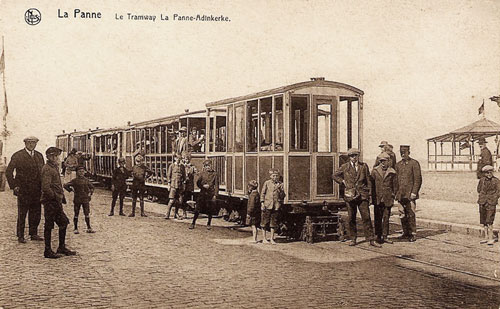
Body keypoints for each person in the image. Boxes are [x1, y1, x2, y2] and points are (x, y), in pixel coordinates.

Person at [333, 148, 380, 247]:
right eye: (352, 156)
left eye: (355, 155)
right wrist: (343, 181)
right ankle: (353, 238)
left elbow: (368, 181)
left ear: (358, 156)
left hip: (362, 195)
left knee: (366, 217)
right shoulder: (345, 167)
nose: (354, 158)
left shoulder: (364, 166)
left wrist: (369, 195)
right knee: (351, 218)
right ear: (349, 157)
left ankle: (371, 239)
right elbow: (335, 175)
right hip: (350, 196)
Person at [5, 136, 45, 243]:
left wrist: (43, 187)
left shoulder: (39, 156)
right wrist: (14, 186)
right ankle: (21, 235)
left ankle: (33, 233)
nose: (32, 145)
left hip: (37, 189)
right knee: (22, 213)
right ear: (25, 143)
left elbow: (43, 172)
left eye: (34, 143)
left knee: (36, 212)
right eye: (30, 143)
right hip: (23, 189)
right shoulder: (18, 155)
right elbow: (9, 172)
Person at [41, 147, 76, 259]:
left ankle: (61, 247)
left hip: (56, 201)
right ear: (48, 157)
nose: (56, 158)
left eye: (57, 156)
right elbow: (46, 187)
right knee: (49, 225)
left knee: (63, 222)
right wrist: (54, 197)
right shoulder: (47, 169)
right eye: (53, 156)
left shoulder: (54, 167)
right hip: (51, 202)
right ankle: (47, 250)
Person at [395, 144, 422, 242]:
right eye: (401, 153)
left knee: (411, 213)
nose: (403, 154)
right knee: (402, 213)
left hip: (410, 194)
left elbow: (418, 179)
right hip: (401, 195)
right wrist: (397, 193)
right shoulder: (398, 165)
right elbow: (396, 180)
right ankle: (405, 232)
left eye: (404, 153)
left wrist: (414, 192)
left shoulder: (414, 163)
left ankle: (413, 233)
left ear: (408, 153)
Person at [371, 152, 398, 244]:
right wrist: (372, 197)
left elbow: (395, 185)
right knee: (377, 217)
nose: (383, 163)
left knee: (386, 218)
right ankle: (377, 236)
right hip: (377, 198)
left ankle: (385, 236)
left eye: (385, 161)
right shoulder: (375, 171)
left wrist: (393, 195)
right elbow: (371, 185)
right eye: (381, 161)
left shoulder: (392, 172)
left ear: (388, 161)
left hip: (387, 198)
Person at [64, 166, 95, 234]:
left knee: (86, 214)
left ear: (84, 172)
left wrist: (90, 193)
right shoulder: (75, 180)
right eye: (80, 171)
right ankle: (75, 228)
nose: (81, 173)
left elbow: (92, 187)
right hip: (77, 199)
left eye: (82, 171)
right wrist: (71, 190)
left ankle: (89, 228)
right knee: (76, 214)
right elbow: (65, 185)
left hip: (85, 199)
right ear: (77, 172)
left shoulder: (86, 180)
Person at [189, 159, 218, 230]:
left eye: (209, 166)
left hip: (210, 194)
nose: (208, 167)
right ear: (205, 167)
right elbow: (198, 183)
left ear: (211, 166)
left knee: (210, 210)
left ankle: (208, 224)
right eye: (206, 166)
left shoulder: (215, 174)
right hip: (202, 193)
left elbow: (217, 185)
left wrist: (215, 195)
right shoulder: (202, 173)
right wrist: (203, 186)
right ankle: (193, 223)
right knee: (197, 209)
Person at [260, 168, 286, 245]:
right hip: (267, 205)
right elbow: (263, 194)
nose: (275, 177)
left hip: (276, 206)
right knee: (264, 222)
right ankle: (264, 238)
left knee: (273, 223)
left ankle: (272, 238)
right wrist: (262, 203)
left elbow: (282, 196)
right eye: (273, 176)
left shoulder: (280, 184)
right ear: (270, 176)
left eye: (276, 176)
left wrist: (280, 190)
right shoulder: (267, 183)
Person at [477, 165, 500, 245]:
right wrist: (482, 197)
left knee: (490, 220)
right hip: (482, 202)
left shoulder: (496, 181)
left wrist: (494, 198)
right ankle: (486, 237)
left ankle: (491, 238)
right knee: (483, 221)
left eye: (490, 172)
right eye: (487, 173)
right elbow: (479, 189)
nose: (489, 174)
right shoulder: (482, 180)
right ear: (484, 173)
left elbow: (498, 191)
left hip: (491, 203)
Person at [165, 155, 186, 220]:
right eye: (177, 158)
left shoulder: (182, 166)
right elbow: (168, 175)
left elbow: (184, 176)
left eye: (179, 158)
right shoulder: (172, 166)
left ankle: (176, 214)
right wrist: (168, 184)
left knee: (179, 201)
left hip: (180, 185)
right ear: (174, 158)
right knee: (171, 200)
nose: (178, 159)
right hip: (173, 185)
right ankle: (167, 214)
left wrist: (184, 184)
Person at [181, 153, 197, 219]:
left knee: (186, 199)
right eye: (185, 159)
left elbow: (197, 173)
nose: (186, 160)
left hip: (189, 186)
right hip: (182, 185)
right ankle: (183, 213)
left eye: (187, 159)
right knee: (181, 199)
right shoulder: (181, 166)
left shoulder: (192, 167)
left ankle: (185, 212)